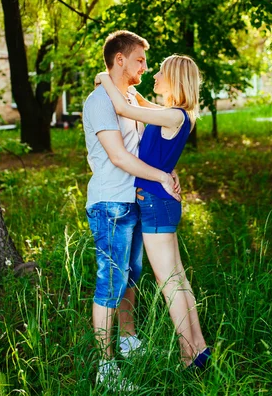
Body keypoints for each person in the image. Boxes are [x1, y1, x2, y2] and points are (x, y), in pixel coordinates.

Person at [95, 54, 211, 370]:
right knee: (178, 279)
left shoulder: (172, 116)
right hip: (163, 202)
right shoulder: (176, 114)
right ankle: (198, 347)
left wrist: (104, 78)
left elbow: (124, 109)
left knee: (169, 283)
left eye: (160, 71)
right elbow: (141, 104)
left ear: (174, 79)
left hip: (156, 203)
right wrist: (130, 90)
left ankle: (189, 355)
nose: (154, 74)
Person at [83, 30, 179, 391]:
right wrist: (162, 177)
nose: (145, 65)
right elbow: (119, 156)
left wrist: (165, 173)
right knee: (111, 282)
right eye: (139, 59)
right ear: (119, 59)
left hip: (133, 199)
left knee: (130, 277)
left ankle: (127, 340)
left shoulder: (126, 97)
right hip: (110, 203)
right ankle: (105, 368)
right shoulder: (100, 101)